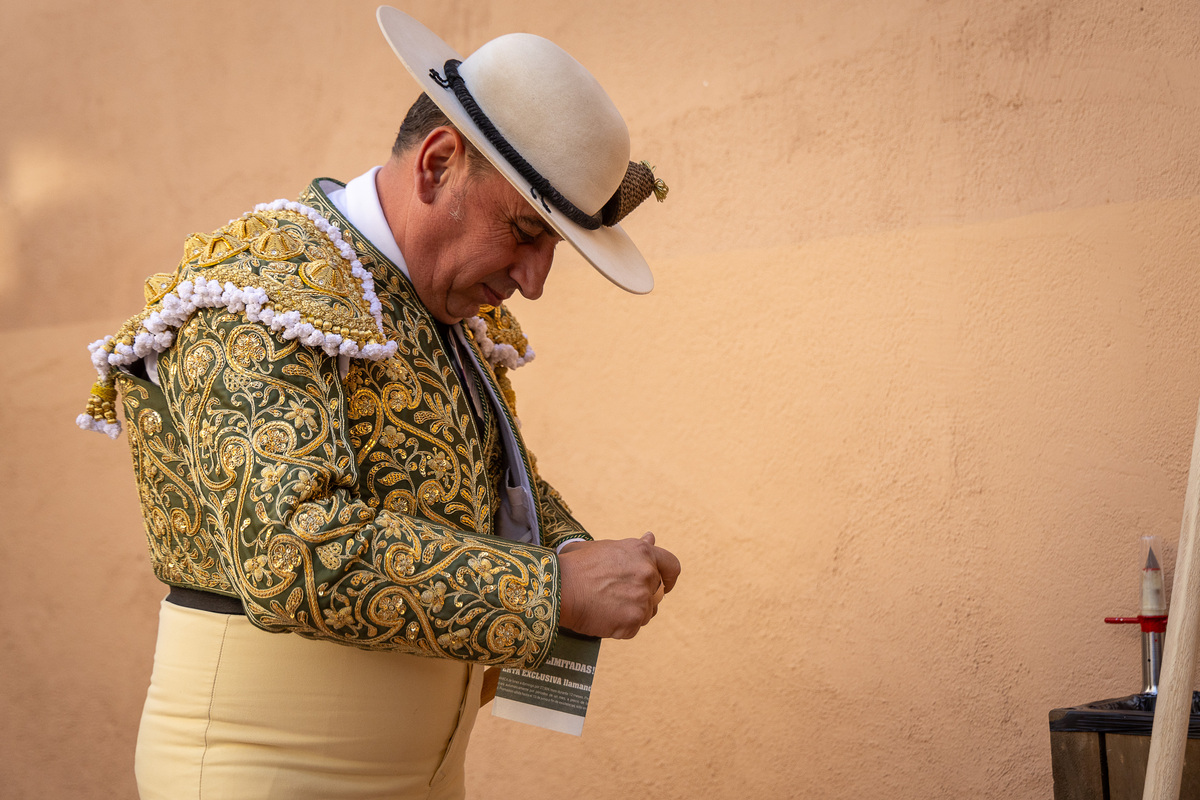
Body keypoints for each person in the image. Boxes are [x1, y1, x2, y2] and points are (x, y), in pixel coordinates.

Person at [76, 6, 680, 799]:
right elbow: (292, 551)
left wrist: (574, 550)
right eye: (527, 232)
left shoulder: (445, 308)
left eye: (551, 248)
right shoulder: (262, 285)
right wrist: (557, 590)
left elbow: (489, 486)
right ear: (438, 164)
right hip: (264, 771)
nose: (534, 281)